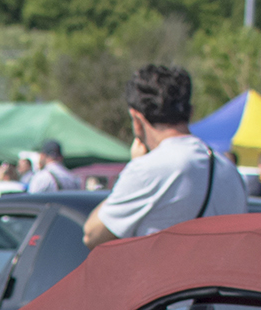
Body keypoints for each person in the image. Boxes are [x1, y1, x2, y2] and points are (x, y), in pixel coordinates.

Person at [83, 65, 245, 248]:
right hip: (222, 276)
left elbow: (92, 235)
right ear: (190, 113)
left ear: (136, 120)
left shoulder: (148, 168)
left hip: (165, 276)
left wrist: (136, 164)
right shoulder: (230, 171)